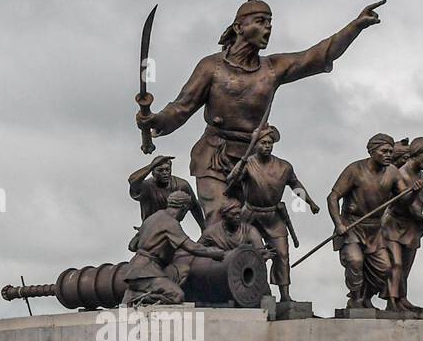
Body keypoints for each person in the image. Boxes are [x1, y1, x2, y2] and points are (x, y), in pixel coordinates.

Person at [135, 0, 383, 226]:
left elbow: (318, 54)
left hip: (251, 163)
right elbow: (182, 107)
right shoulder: (211, 67)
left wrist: (356, 25)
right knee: (220, 222)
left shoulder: (272, 68)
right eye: (261, 21)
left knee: (246, 232)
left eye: (270, 23)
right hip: (214, 158)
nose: (268, 28)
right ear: (239, 27)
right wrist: (155, 120)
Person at [227, 125, 318, 303]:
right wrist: (238, 170)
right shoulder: (247, 163)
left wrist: (310, 203)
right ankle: (242, 290)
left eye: (270, 143)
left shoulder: (284, 166)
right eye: (263, 143)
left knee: (282, 254)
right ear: (255, 145)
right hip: (250, 215)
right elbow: (231, 180)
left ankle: (285, 295)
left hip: (273, 216)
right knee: (246, 252)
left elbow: (295, 185)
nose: (267, 146)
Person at [326, 133, 405, 309]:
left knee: (384, 267)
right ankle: (355, 300)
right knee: (354, 261)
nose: (388, 155)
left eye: (391, 151)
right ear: (372, 151)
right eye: (384, 151)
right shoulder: (355, 170)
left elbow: (403, 199)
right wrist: (338, 224)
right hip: (352, 226)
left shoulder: (392, 172)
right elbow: (332, 197)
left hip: (375, 229)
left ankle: (365, 297)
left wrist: (413, 191)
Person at [123, 190, 226, 305]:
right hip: (146, 272)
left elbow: (132, 246)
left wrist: (147, 235)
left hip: (136, 268)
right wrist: (214, 253)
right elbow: (193, 248)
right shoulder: (171, 223)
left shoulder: (152, 218)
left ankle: (141, 290)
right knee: (177, 296)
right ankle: (135, 296)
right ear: (183, 208)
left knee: (182, 271)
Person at [381, 135, 423, 313]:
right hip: (394, 224)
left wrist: (420, 220)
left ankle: (402, 298)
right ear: (416, 154)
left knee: (405, 266)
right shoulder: (400, 174)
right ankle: (391, 301)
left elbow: (418, 205)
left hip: (412, 227)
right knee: (395, 264)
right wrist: (416, 212)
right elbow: (400, 203)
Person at [127, 155, 205, 231]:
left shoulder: (181, 185)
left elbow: (195, 206)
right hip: (151, 229)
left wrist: (203, 229)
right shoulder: (146, 186)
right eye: (160, 170)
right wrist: (151, 166)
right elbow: (132, 181)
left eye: (167, 169)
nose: (165, 173)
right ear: (153, 173)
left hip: (172, 228)